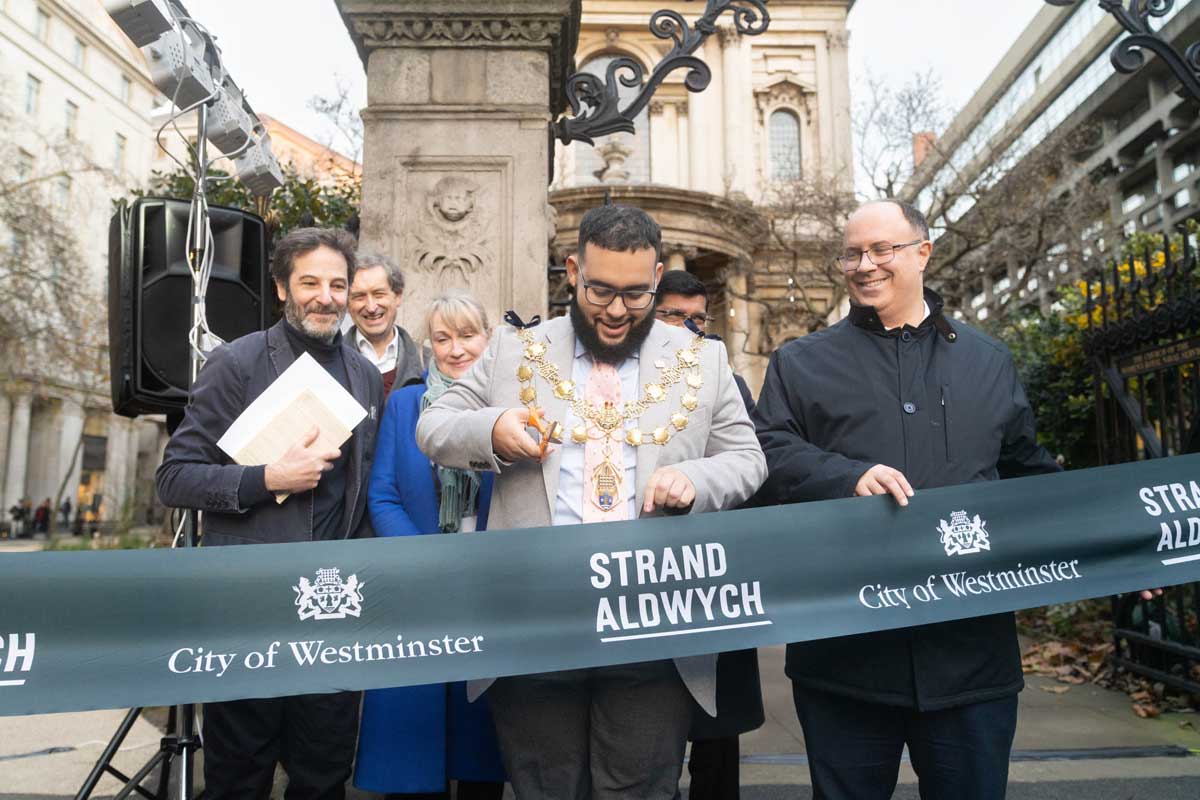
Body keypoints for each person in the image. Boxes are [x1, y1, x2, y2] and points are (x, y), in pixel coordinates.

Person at [416, 204, 766, 800]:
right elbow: (434, 425)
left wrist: (696, 482)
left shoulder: (701, 360)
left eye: (634, 294)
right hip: (534, 615)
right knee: (545, 787)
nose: (614, 310)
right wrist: (494, 428)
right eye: (599, 289)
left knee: (639, 788)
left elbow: (749, 458)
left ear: (657, 278)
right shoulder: (513, 349)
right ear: (573, 270)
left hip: (651, 615)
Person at [752, 199, 1063, 799]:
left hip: (970, 657)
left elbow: (1030, 471)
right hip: (844, 658)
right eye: (852, 253)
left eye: (881, 249)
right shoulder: (799, 362)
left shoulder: (990, 360)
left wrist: (1124, 539)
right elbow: (768, 454)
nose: (864, 264)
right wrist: (845, 476)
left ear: (923, 251)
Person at [156, 227, 383, 800]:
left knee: (324, 772)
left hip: (332, 608)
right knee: (239, 775)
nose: (325, 296)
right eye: (309, 282)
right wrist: (267, 479)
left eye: (338, 284)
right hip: (249, 605)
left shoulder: (362, 373)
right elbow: (174, 476)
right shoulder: (236, 362)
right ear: (283, 288)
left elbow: (359, 493)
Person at [355, 291, 506, 799]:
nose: (456, 349)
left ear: (489, 339)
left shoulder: (508, 409)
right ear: (430, 345)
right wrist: (426, 561)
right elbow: (383, 495)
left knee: (481, 737)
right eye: (443, 338)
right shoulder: (404, 403)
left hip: (488, 587)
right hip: (415, 590)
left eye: (468, 336)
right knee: (412, 742)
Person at [654, 269, 763, 800]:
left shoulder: (724, 376)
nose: (690, 327)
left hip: (712, 573)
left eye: (699, 317)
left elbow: (753, 469)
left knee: (718, 736)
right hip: (648, 577)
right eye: (675, 314)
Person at [348, 252, 424, 396]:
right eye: (359, 297)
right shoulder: (328, 364)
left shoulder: (427, 362)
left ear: (398, 296)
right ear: (347, 303)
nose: (371, 307)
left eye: (378, 294)